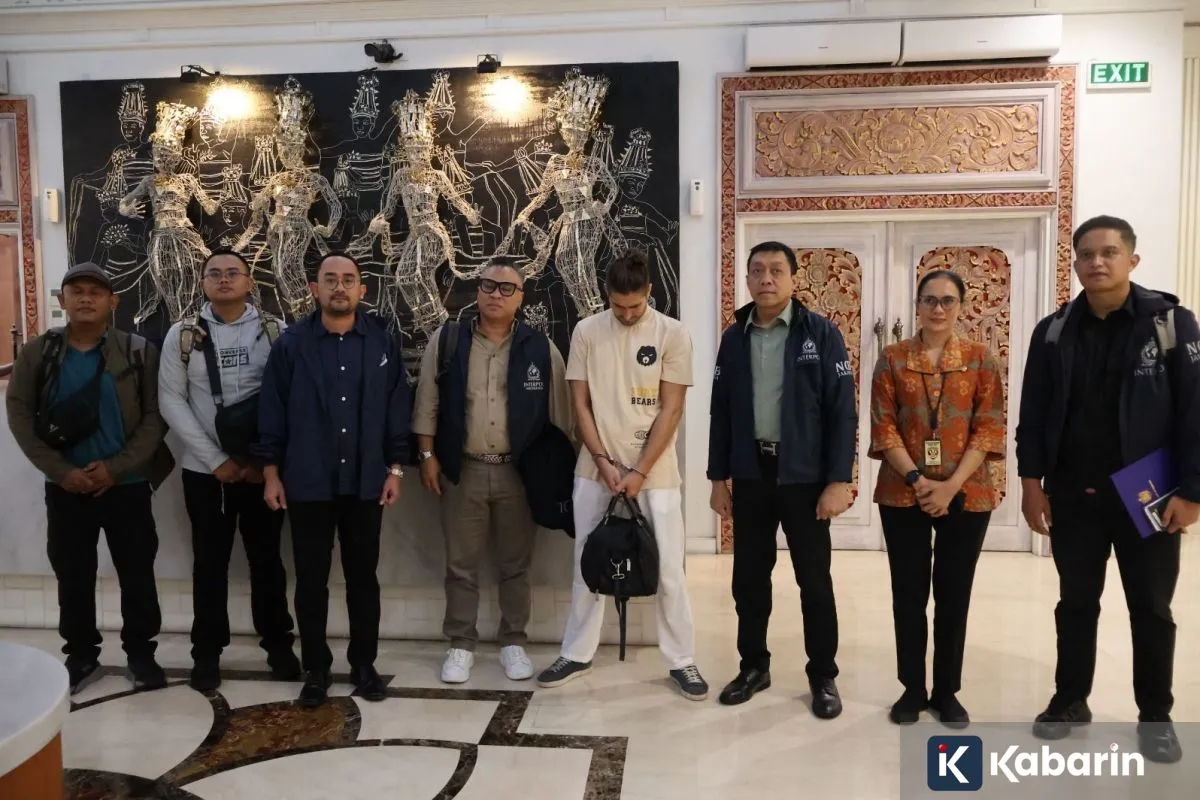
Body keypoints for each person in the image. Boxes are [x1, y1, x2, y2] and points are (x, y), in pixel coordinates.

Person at [1016, 215, 1200, 763]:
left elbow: (1195, 413)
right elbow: (1033, 413)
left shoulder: (1171, 324)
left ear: (1132, 260)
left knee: (1151, 608)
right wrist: (1031, 484)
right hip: (1074, 494)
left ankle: (1155, 716)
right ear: (1074, 262)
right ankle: (1070, 700)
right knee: (1075, 603)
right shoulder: (1053, 331)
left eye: (1109, 252)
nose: (1096, 262)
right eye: (1086, 254)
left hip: (1149, 494)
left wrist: (1192, 491)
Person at [536, 249, 709, 700]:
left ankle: (682, 659)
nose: (627, 314)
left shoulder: (673, 334)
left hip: (657, 472)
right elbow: (580, 405)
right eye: (618, 306)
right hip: (595, 469)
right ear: (606, 295)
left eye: (635, 305)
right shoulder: (587, 331)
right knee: (587, 561)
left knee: (668, 568)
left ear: (649, 292)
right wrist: (603, 462)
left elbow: (672, 409)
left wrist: (640, 470)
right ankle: (576, 653)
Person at [6, 262, 174, 694]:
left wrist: (116, 467)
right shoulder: (38, 353)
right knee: (73, 575)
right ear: (62, 300)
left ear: (112, 302)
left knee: (137, 573)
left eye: (95, 292)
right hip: (66, 488)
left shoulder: (137, 351)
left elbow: (156, 416)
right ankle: (81, 656)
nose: (85, 298)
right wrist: (61, 471)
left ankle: (142, 655)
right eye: (76, 291)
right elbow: (19, 413)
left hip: (127, 486)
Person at [254, 252, 411, 708]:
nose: (339, 287)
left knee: (363, 578)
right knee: (310, 581)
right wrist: (271, 474)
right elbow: (272, 411)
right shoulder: (291, 345)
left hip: (366, 481)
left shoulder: (381, 342)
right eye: (330, 279)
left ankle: (364, 666)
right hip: (308, 481)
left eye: (348, 280)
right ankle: (316, 670)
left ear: (363, 289)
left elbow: (396, 407)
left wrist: (395, 469)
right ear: (314, 289)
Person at [706, 241, 856, 718]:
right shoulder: (734, 337)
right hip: (751, 474)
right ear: (748, 279)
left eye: (776, 270)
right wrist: (717, 478)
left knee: (814, 580)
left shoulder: (821, 333)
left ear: (793, 278)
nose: (766, 279)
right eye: (757, 271)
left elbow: (843, 412)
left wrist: (838, 480)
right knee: (749, 579)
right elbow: (720, 411)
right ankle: (754, 666)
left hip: (805, 478)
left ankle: (823, 674)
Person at [412, 264, 573, 684]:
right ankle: (460, 644)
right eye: (488, 285)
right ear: (477, 291)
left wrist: (560, 475)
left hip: (518, 475)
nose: (495, 294)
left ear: (521, 297)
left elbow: (561, 417)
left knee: (515, 565)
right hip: (462, 470)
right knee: (460, 565)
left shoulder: (541, 348)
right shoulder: (449, 340)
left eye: (506, 288)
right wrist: (427, 455)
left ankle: (513, 642)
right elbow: (427, 400)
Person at [869, 269, 1006, 728]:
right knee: (908, 594)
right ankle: (912, 688)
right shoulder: (892, 358)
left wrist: (950, 486)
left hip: (967, 492)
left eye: (948, 300)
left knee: (953, 595)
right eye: (929, 300)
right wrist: (917, 479)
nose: (938, 308)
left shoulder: (980, 358)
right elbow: (883, 425)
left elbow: (988, 427)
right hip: (902, 492)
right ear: (917, 306)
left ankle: (947, 692)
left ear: (960, 307)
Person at [158, 250, 300, 692]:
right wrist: (215, 459)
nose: (223, 279)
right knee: (209, 563)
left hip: (262, 472)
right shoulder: (182, 335)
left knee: (267, 561)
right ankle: (206, 654)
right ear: (203, 282)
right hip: (206, 474)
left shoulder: (276, 331)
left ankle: (278, 645)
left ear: (249, 281)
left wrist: (262, 462)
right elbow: (171, 400)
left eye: (232, 273)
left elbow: (289, 399)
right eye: (214, 273)